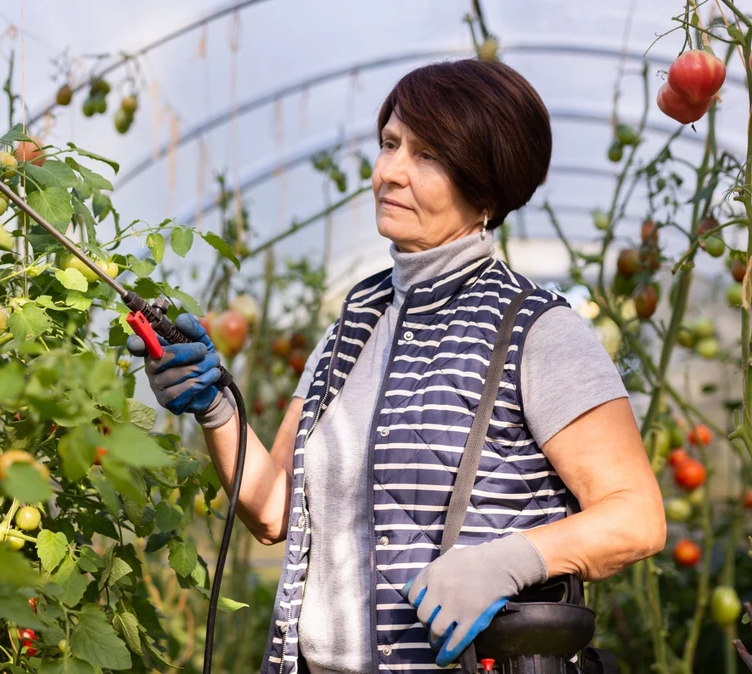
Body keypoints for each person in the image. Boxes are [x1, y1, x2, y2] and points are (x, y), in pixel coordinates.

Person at [128, 58, 666, 673]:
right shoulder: (351, 329)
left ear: (485, 187)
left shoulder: (534, 329)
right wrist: (216, 407)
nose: (390, 173)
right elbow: (276, 511)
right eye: (390, 144)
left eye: (427, 155)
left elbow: (637, 516)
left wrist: (504, 561)